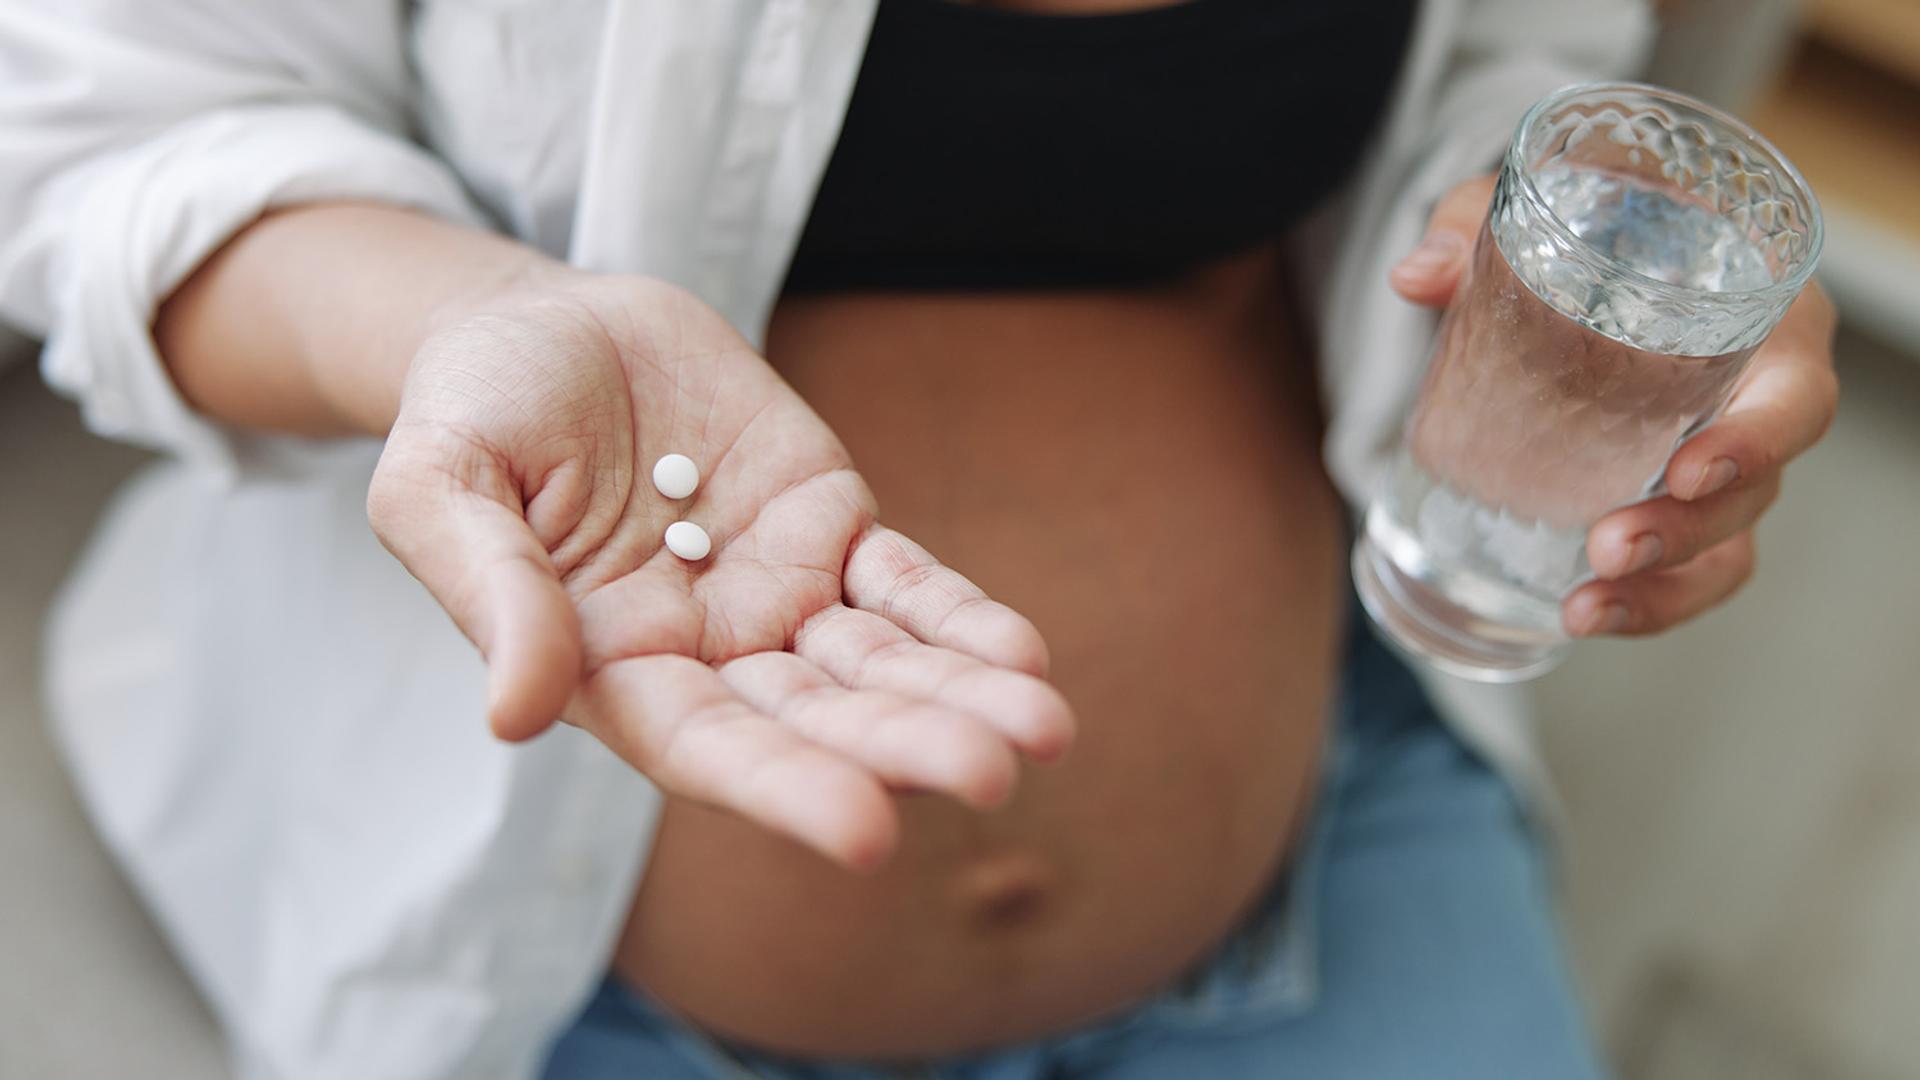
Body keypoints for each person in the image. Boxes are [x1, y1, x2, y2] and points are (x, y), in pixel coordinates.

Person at [0, 0, 1838, 1076]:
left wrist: (1561, 239)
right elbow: (112, 131)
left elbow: (1512, 65)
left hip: (1317, 853)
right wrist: (450, 324)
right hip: (553, 923)